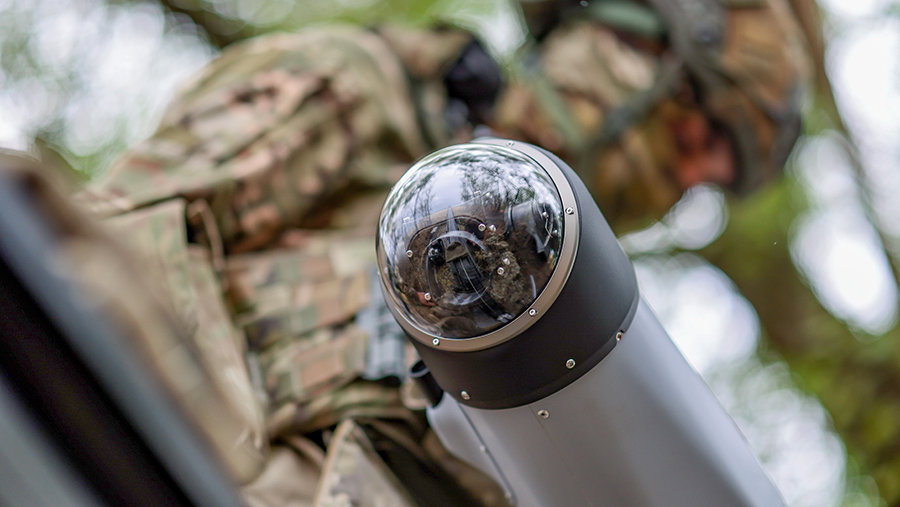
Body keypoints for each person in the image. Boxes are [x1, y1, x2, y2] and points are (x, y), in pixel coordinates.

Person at [71, 1, 812, 505]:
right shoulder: (365, 96)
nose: (679, 183)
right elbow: (113, 246)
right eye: (687, 138)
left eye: (701, 184)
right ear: (623, 45)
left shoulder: (575, 361)